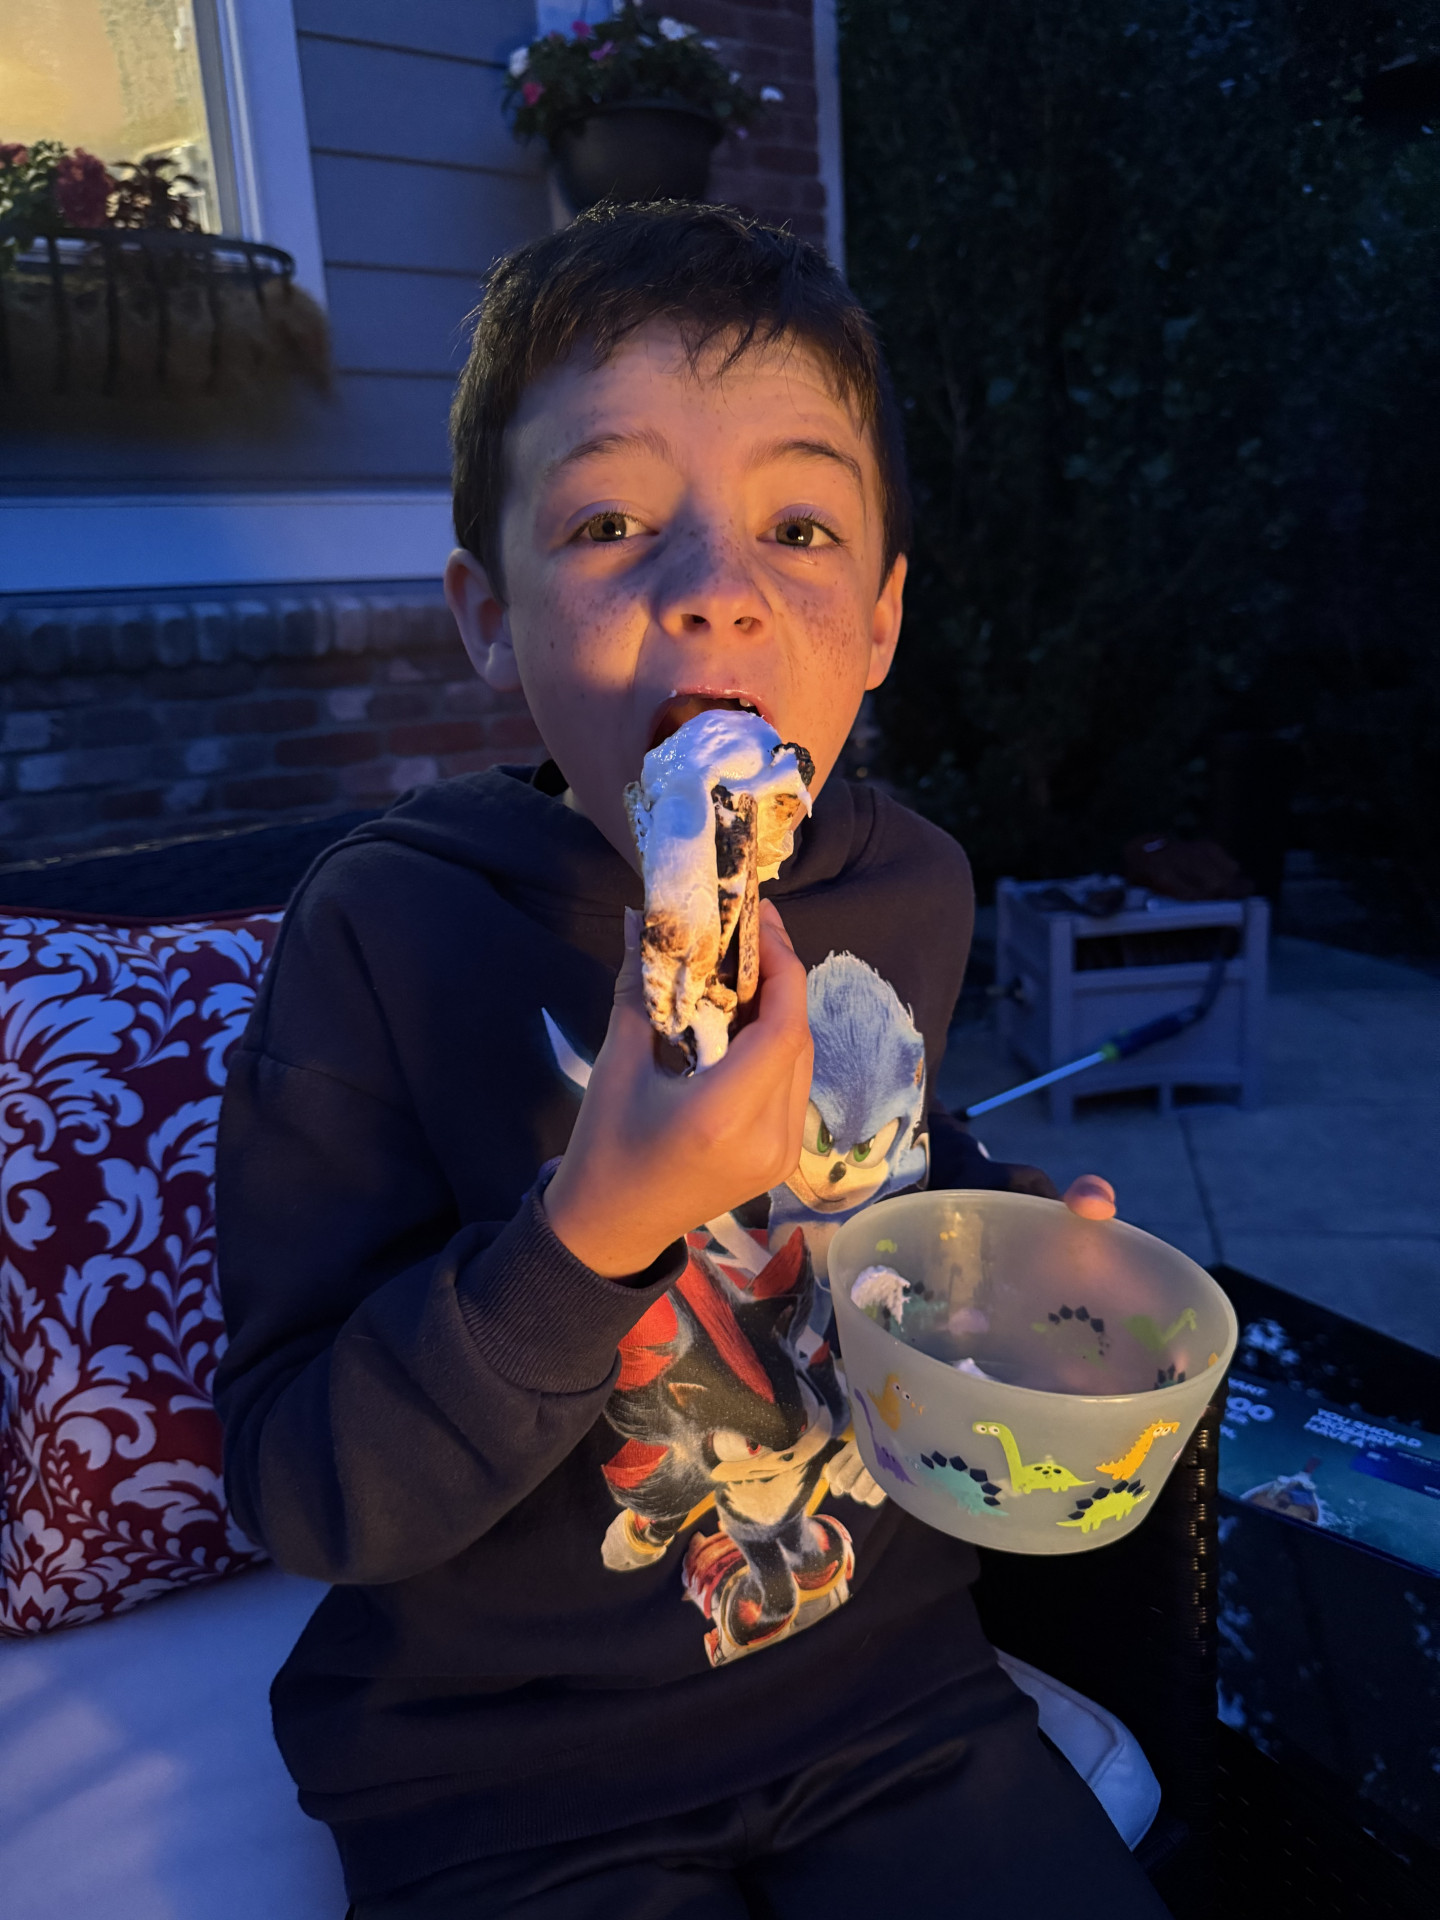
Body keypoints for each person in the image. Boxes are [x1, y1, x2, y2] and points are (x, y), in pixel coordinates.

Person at [215, 202, 1167, 1920]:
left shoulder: (912, 887)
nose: (716, 591)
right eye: (609, 523)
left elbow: (890, 1163)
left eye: (798, 527)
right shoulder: (384, 935)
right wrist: (595, 1227)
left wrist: (1003, 1247)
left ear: (878, 623)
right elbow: (306, 1489)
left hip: (887, 1692)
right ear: (489, 615)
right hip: (502, 1776)